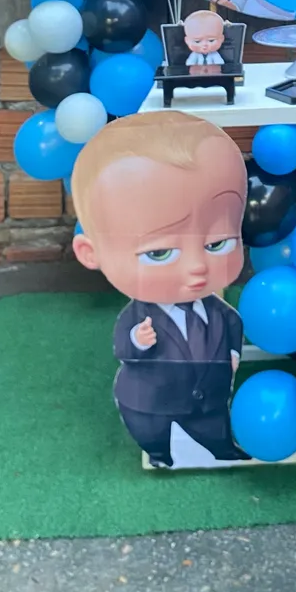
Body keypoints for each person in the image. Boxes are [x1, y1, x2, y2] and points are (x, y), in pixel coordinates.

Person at [72, 113, 248, 467]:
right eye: (159, 253)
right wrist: (138, 341)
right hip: (152, 402)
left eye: (216, 244)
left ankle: (223, 449)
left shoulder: (219, 312)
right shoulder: (138, 318)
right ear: (91, 254)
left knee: (214, 430)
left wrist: (233, 354)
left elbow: (231, 326)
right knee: (154, 432)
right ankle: (159, 453)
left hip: (209, 398)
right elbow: (125, 348)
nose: (197, 266)